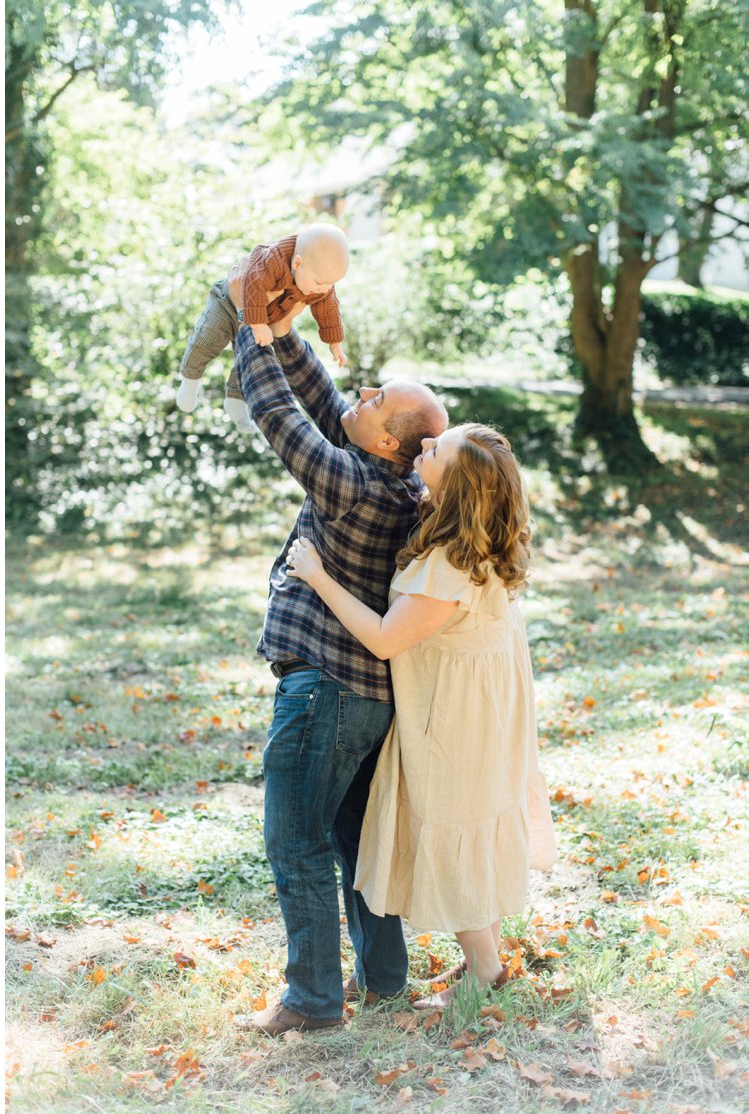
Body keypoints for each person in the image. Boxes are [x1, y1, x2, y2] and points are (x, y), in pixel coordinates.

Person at [226, 285, 448, 1037]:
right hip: (366, 698)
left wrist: (250, 329)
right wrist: (287, 334)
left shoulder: (350, 484)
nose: (363, 391)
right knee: (355, 843)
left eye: (378, 398)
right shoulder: (393, 478)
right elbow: (324, 402)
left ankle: (314, 999)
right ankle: (384, 981)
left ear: (388, 440)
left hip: (324, 692)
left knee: (295, 841)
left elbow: (284, 419)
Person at [285, 423, 556, 1007]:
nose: (425, 445)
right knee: (472, 829)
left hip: (456, 722)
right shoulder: (474, 540)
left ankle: (486, 971)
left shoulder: (448, 566)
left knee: (454, 831)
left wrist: (317, 576)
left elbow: (385, 639)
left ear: (456, 487)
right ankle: (485, 961)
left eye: (437, 450)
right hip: (481, 710)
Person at [178, 226, 349, 430]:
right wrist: (257, 324)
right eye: (320, 283)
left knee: (251, 359)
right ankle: (190, 379)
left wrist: (334, 341)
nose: (324, 289)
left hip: (266, 316)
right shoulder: (273, 258)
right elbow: (253, 283)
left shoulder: (319, 280)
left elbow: (328, 306)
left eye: (331, 284)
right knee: (208, 338)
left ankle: (236, 401)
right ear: (297, 263)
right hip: (228, 303)